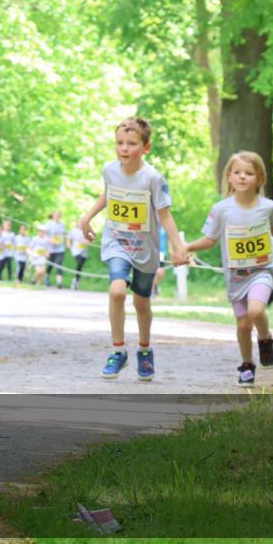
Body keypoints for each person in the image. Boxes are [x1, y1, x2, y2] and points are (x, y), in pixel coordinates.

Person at [80, 117, 187, 382]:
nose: (124, 148)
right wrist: (87, 217)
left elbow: (165, 216)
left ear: (146, 147)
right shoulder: (110, 170)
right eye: (119, 143)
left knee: (141, 302)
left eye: (131, 144)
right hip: (116, 241)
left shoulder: (152, 178)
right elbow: (109, 194)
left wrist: (178, 247)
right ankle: (118, 351)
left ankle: (144, 349)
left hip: (145, 249)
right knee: (117, 291)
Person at [185, 152, 273, 386]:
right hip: (236, 275)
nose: (242, 177)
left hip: (262, 271)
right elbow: (210, 239)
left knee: (256, 311)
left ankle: (265, 339)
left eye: (248, 173)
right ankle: (247, 364)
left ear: (260, 178)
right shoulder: (221, 209)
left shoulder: (268, 207)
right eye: (237, 173)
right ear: (229, 177)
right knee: (243, 324)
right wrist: (186, 247)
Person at [44, 211, 67, 289]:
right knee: (50, 265)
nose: (57, 217)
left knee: (59, 264)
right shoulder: (48, 224)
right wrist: (51, 241)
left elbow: (64, 235)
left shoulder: (62, 225)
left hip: (60, 249)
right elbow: (44, 235)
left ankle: (59, 282)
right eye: (56, 215)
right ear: (53, 216)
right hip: (50, 248)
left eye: (58, 215)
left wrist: (63, 241)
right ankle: (47, 278)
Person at [68, 222, 89, 290]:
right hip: (76, 250)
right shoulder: (73, 231)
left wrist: (87, 241)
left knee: (80, 267)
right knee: (79, 262)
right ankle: (75, 281)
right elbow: (68, 238)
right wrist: (68, 245)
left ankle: (76, 280)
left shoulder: (87, 230)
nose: (80, 224)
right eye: (79, 223)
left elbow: (91, 239)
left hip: (84, 252)